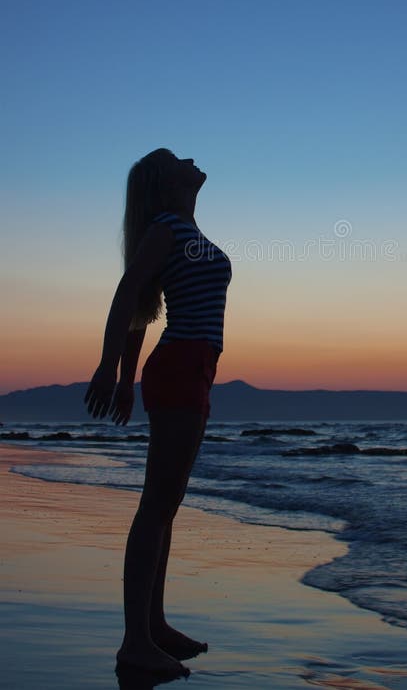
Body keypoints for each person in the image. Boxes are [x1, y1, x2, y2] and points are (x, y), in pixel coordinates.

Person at [84, 147, 232, 677]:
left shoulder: (183, 229)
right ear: (167, 183)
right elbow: (128, 293)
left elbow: (145, 307)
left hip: (192, 368)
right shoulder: (166, 228)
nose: (191, 159)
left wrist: (127, 378)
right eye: (178, 159)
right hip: (179, 369)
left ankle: (155, 625)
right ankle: (134, 642)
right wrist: (110, 370)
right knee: (156, 505)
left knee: (166, 505)